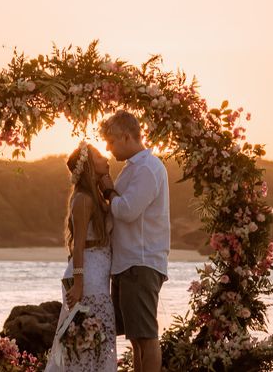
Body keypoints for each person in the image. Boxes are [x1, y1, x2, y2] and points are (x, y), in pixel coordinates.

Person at [98, 110, 170, 372]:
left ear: (127, 136)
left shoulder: (148, 169)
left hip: (140, 262)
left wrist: (107, 189)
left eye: (112, 141)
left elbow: (127, 210)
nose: (108, 147)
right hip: (127, 263)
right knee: (136, 338)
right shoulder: (133, 168)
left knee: (146, 336)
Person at [45, 142, 116, 372]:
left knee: (96, 343)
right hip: (89, 278)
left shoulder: (96, 196)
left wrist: (109, 190)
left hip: (98, 273)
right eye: (98, 156)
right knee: (86, 344)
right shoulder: (83, 200)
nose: (106, 158)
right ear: (87, 167)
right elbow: (78, 246)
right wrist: (78, 284)